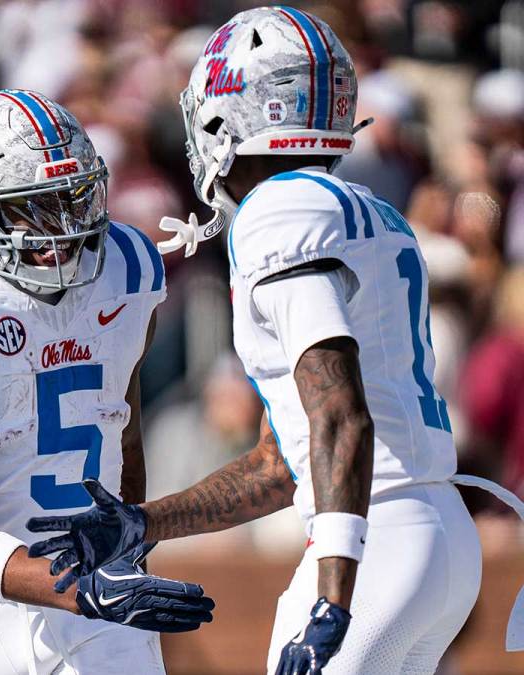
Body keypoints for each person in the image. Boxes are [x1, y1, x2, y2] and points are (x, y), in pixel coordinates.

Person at [27, 8, 510, 673]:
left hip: (373, 540)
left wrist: (335, 595)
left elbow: (339, 410)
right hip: (431, 533)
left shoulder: (279, 210)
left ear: (237, 111)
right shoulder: (370, 210)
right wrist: (144, 522)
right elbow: (281, 464)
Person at [0, 89, 215, 675]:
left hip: (103, 591)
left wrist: (128, 553)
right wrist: (78, 588)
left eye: (73, 198)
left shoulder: (126, 267)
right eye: (35, 206)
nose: (65, 226)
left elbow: (120, 432)